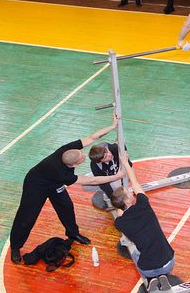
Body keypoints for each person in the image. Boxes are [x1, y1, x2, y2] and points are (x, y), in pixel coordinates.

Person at [9, 115, 125, 264]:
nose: (84, 155)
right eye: (81, 157)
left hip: (54, 182)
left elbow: (92, 137)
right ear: (73, 165)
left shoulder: (66, 150)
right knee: (27, 216)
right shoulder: (64, 174)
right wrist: (117, 176)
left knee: (66, 207)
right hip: (36, 184)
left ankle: (73, 234)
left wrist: (112, 126)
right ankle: (15, 246)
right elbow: (92, 180)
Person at [112, 150, 175, 289]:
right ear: (127, 200)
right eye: (129, 192)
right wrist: (125, 163)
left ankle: (151, 279)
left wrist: (119, 203)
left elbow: (119, 210)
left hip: (147, 269)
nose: (131, 191)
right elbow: (135, 183)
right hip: (168, 262)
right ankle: (164, 275)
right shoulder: (143, 204)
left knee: (136, 253)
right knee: (159, 254)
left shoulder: (119, 223)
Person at [88, 142, 132, 207]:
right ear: (100, 161)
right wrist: (112, 197)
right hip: (110, 176)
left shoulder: (113, 148)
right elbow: (103, 183)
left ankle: (122, 188)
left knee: (130, 173)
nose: (110, 154)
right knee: (87, 185)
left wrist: (124, 162)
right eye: (105, 157)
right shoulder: (95, 166)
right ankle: (111, 192)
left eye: (107, 151)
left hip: (119, 172)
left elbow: (122, 145)